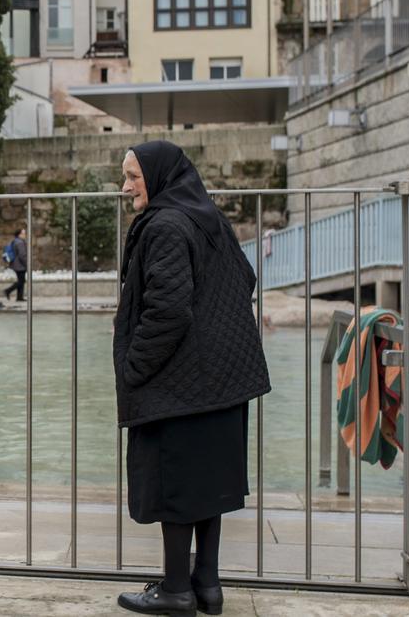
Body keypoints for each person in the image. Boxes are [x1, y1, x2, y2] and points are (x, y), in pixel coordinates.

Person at [113, 140, 270, 616]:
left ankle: (176, 589)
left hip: (181, 382)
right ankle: (207, 584)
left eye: (133, 177)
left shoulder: (164, 225)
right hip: (223, 380)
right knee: (208, 484)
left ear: (158, 177)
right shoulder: (209, 217)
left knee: (175, 484)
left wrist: (134, 368)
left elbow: (168, 310)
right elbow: (245, 278)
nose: (125, 187)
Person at [2, 228, 28, 302]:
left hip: (16, 264)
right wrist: (27, 264)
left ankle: (19, 297)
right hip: (20, 265)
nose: (25, 235)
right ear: (19, 235)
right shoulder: (20, 243)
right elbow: (22, 255)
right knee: (21, 281)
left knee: (21, 280)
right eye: (23, 234)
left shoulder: (15, 241)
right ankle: (7, 291)